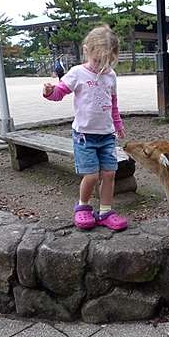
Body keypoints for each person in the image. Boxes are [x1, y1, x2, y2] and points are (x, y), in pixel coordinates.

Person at [42, 25, 128, 231]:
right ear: (86, 50)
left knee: (109, 174)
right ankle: (83, 207)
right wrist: (49, 92)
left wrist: (118, 125)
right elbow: (59, 93)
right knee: (91, 175)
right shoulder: (77, 73)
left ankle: (106, 211)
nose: (100, 66)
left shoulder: (111, 76)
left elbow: (113, 103)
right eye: (97, 60)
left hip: (106, 135)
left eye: (105, 61)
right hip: (84, 136)